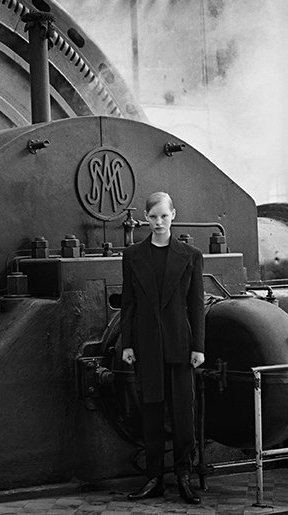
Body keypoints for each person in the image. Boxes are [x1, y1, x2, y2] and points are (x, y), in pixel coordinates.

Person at [121, 192, 204, 504]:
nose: (158, 222)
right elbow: (128, 303)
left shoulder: (191, 256)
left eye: (164, 216)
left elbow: (196, 305)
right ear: (145, 217)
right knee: (152, 411)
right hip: (147, 346)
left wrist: (199, 347)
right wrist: (127, 344)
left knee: (184, 412)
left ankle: (184, 475)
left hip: (181, 345)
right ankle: (154, 478)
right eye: (153, 217)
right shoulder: (132, 255)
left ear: (174, 215)